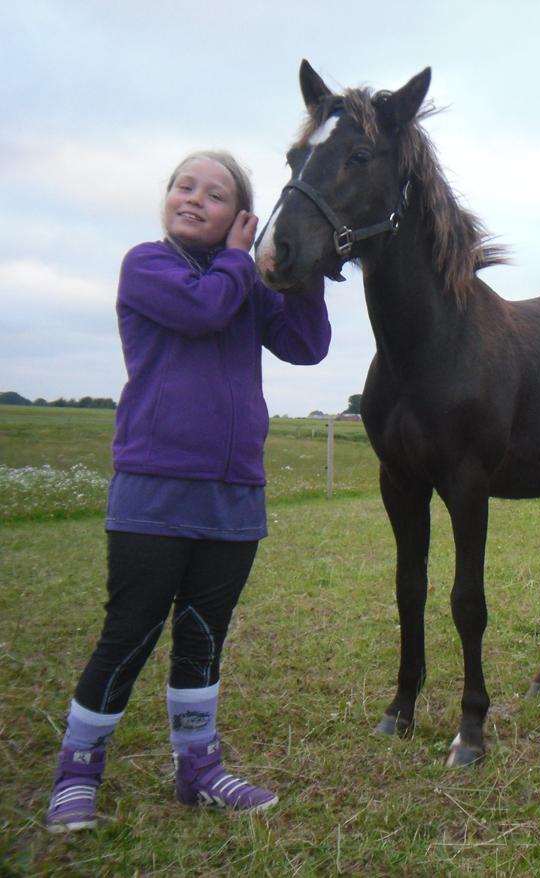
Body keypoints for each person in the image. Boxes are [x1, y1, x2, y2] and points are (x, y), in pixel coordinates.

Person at [45, 151, 331, 832]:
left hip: (233, 495)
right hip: (155, 490)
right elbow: (203, 313)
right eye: (184, 186)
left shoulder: (244, 283)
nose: (194, 198)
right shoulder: (149, 267)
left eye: (215, 192)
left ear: (242, 216)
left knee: (203, 638)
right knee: (131, 632)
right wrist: (242, 261)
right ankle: (76, 773)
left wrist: (305, 272)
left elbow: (306, 345)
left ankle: (198, 770)